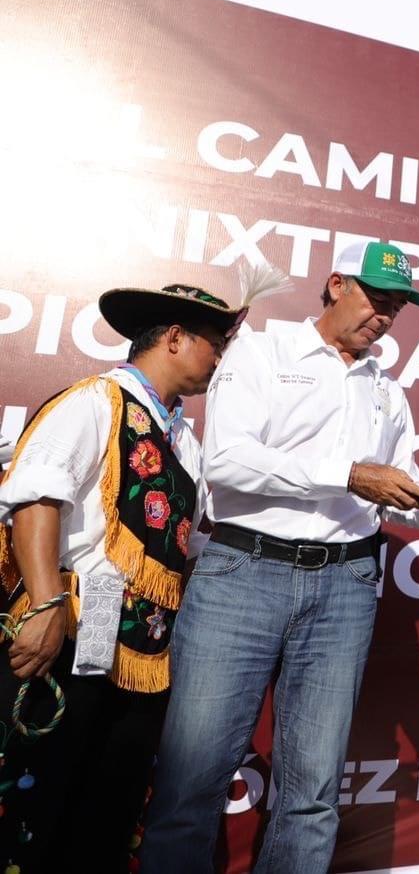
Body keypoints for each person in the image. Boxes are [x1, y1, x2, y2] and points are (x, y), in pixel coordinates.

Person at [142, 242, 419, 872]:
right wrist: (349, 474)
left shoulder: (387, 390)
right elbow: (227, 463)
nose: (384, 316)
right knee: (192, 782)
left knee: (313, 794)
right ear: (334, 284)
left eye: (397, 307)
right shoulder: (261, 352)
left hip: (345, 584)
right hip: (242, 572)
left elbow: (392, 493)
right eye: (375, 298)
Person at [0, 282, 242, 869]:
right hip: (67, 635)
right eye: (216, 344)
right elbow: (37, 501)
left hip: (142, 657)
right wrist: (44, 606)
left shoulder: (184, 436)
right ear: (176, 339)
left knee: (107, 815)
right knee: (38, 807)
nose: (220, 359)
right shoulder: (93, 402)